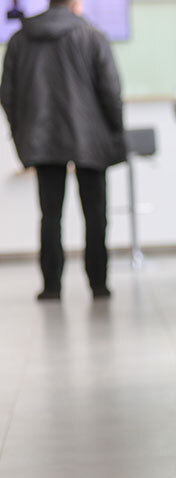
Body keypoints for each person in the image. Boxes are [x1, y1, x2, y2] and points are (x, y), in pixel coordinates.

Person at [1, 0, 126, 301]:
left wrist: (22, 129)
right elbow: (111, 90)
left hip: (42, 138)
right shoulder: (92, 36)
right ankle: (98, 283)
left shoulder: (20, 40)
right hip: (90, 138)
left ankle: (51, 286)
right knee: (95, 214)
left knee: (50, 215)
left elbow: (7, 93)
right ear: (74, 4)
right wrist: (115, 131)